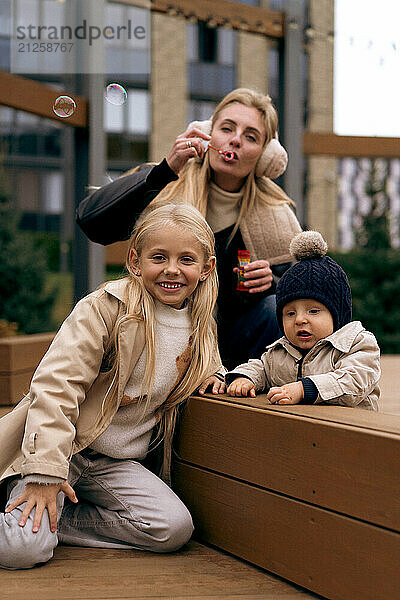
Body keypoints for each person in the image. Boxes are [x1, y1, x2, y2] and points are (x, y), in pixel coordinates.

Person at [0, 204, 226, 570]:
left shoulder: (201, 327)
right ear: (135, 262)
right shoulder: (106, 309)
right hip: (64, 450)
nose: (172, 269)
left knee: (171, 528)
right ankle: (31, 513)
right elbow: (57, 385)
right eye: (159, 257)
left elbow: (206, 369)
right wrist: (44, 474)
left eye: (186, 259)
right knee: (22, 550)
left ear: (206, 268)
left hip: (114, 463)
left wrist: (217, 377)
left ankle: (53, 523)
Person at [76, 88, 302, 370]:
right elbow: (91, 222)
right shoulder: (167, 181)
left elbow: (305, 294)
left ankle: (247, 401)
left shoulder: (277, 213)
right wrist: (164, 170)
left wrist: (275, 283)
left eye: (251, 136)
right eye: (227, 128)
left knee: (273, 310)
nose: (235, 140)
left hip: (234, 349)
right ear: (207, 134)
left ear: (266, 156)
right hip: (163, 334)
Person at [225, 231, 380, 410]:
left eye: (313, 311)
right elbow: (262, 368)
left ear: (338, 313)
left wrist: (304, 389)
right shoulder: (281, 350)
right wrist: (244, 378)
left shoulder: (357, 344)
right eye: (290, 313)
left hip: (351, 431)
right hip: (305, 431)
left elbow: (354, 380)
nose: (299, 320)